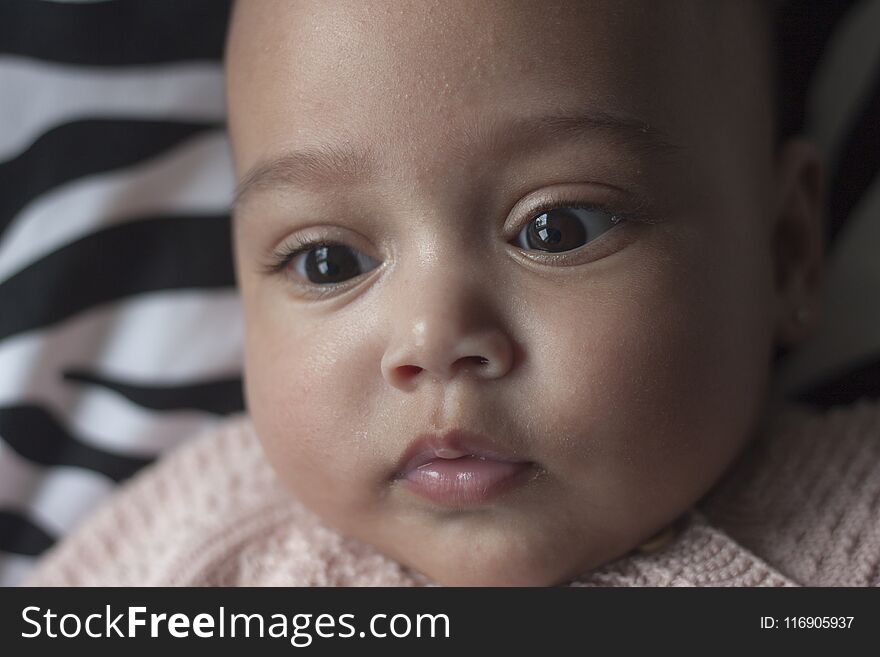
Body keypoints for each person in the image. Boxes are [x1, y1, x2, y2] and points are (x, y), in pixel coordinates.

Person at [24, 0, 880, 587]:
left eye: (557, 229)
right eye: (328, 262)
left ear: (787, 249)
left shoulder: (857, 510)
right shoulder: (189, 547)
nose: (434, 337)